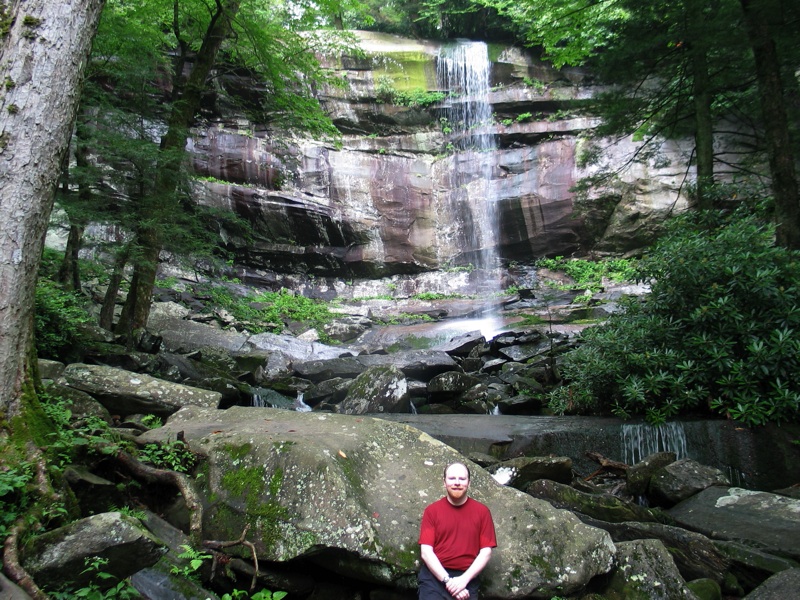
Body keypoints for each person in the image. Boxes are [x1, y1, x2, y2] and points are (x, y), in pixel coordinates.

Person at [418, 462, 497, 600]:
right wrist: (449, 582)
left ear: (469, 482)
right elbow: (426, 552)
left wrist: (463, 581)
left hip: (467, 579)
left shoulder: (482, 512)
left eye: (462, 479)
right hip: (434, 579)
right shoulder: (432, 511)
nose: (457, 483)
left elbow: (486, 552)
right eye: (452, 478)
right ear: (444, 482)